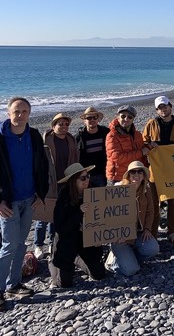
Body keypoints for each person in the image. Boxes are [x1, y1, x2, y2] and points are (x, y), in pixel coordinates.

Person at [0, 97, 49, 309]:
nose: (20, 115)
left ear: (29, 113)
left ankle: (14, 283)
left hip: (29, 198)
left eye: (24, 111)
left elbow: (43, 165)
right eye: (16, 111)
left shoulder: (34, 135)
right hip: (8, 203)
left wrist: (41, 192)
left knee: (21, 244)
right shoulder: (0, 138)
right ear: (8, 113)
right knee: (8, 245)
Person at [48, 163, 105, 288]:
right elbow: (60, 227)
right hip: (67, 241)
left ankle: (77, 260)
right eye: (83, 178)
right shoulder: (64, 197)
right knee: (64, 284)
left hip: (86, 240)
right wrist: (79, 212)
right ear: (73, 181)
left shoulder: (93, 191)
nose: (87, 180)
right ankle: (53, 262)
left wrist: (100, 237)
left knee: (99, 274)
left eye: (88, 176)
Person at [142, 96, 174, 246]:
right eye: (160, 107)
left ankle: (171, 232)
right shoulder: (151, 124)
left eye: (165, 106)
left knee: (173, 202)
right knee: (154, 204)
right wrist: (149, 145)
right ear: (157, 110)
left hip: (173, 172)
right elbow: (143, 143)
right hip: (155, 172)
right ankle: (153, 234)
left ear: (170, 106)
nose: (163, 109)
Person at [34, 113, 79, 260]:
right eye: (60, 124)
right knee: (43, 215)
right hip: (48, 183)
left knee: (58, 214)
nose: (64, 127)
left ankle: (52, 243)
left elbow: (75, 160)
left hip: (65, 182)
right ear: (53, 126)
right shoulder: (46, 140)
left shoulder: (71, 141)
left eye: (66, 124)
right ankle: (38, 245)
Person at [105, 161, 159, 276]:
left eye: (140, 172)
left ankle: (129, 259)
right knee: (130, 271)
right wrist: (115, 235)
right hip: (121, 239)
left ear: (144, 175)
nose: (136, 174)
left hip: (138, 234)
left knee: (153, 248)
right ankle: (112, 262)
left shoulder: (146, 190)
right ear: (128, 175)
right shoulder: (117, 191)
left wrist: (147, 229)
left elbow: (150, 211)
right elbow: (109, 215)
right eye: (133, 172)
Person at [106, 105, 148, 184]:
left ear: (133, 119)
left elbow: (143, 151)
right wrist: (141, 152)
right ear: (118, 117)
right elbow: (117, 158)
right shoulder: (112, 136)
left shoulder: (137, 134)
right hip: (120, 176)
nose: (126, 119)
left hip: (136, 174)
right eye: (123, 116)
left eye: (129, 117)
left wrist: (150, 146)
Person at [75, 107, 110, 188]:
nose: (92, 120)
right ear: (85, 121)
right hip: (85, 174)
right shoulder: (79, 136)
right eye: (89, 118)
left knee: (100, 197)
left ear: (98, 119)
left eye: (95, 117)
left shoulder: (105, 132)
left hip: (101, 172)